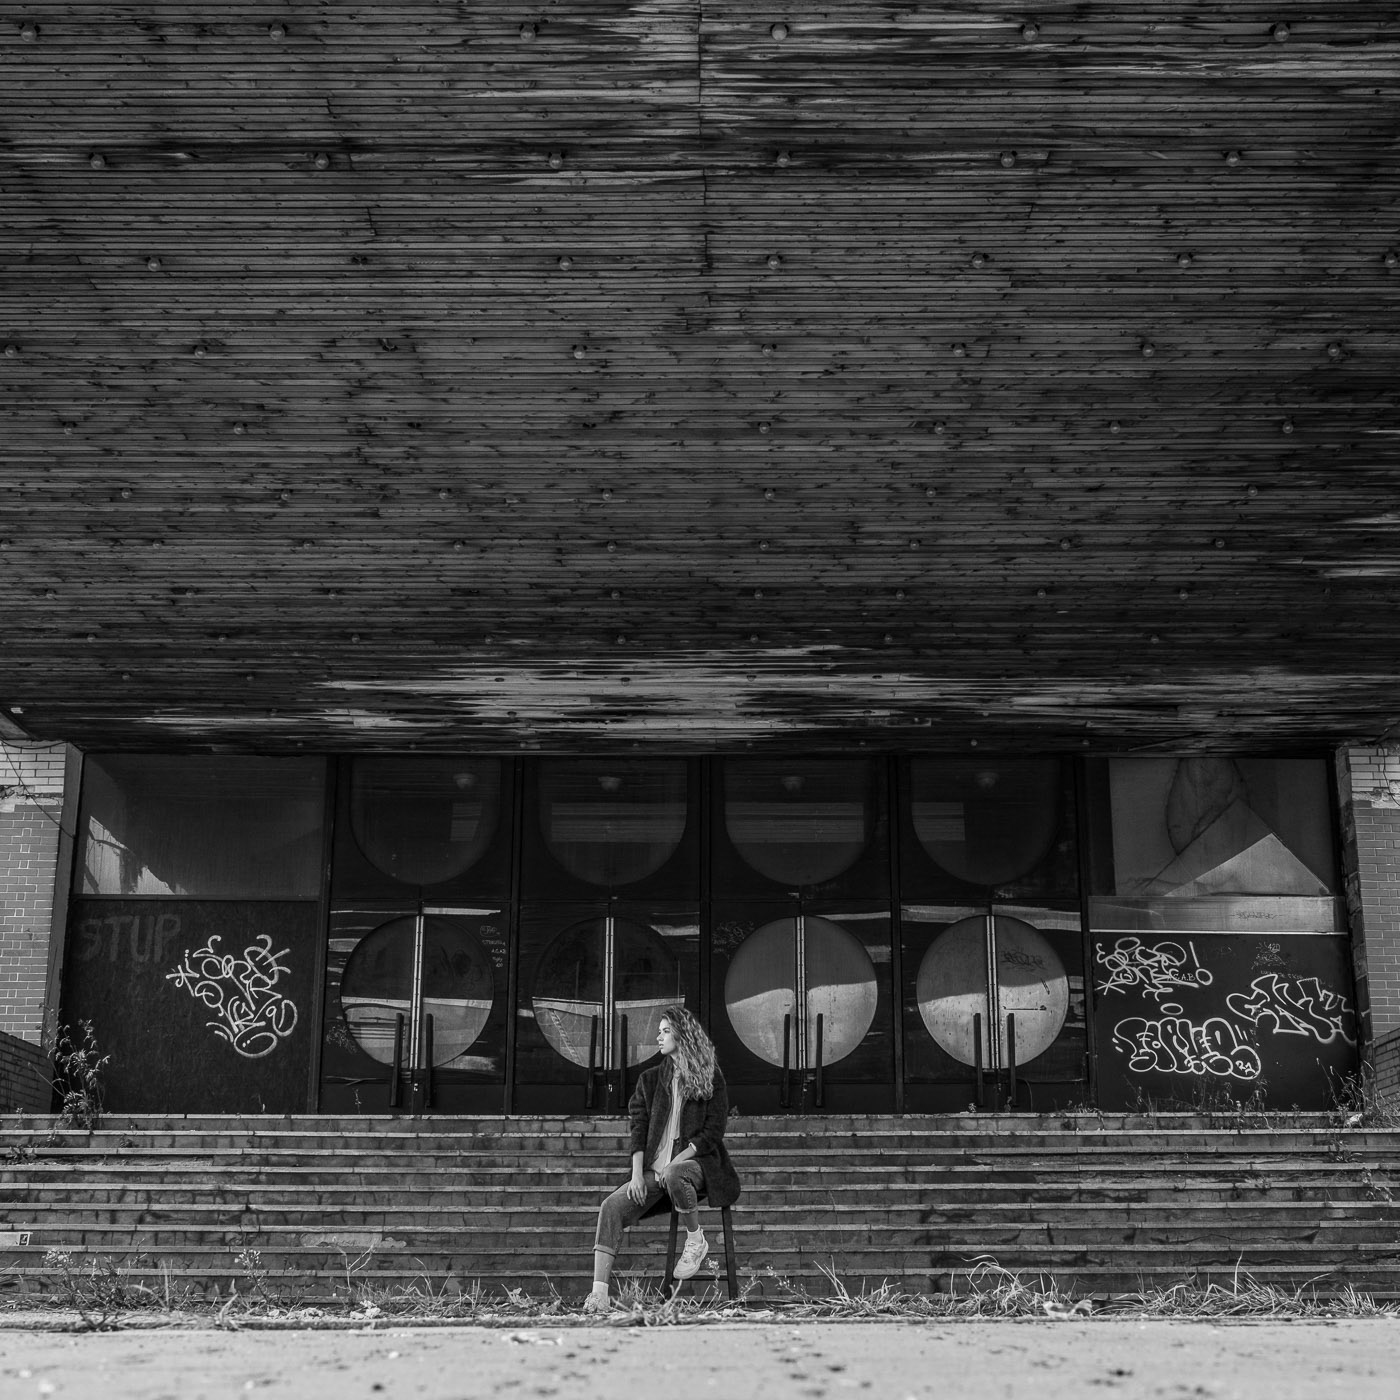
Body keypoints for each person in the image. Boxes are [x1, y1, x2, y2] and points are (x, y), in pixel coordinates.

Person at [583, 1004, 741, 1313]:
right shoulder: (650, 1080)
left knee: (674, 1173)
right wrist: (637, 1174)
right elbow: (639, 1129)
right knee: (611, 1207)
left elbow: (712, 1132)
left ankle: (695, 1239)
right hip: (655, 1172)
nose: (659, 1037)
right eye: (659, 1031)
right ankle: (598, 1295)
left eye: (666, 1031)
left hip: (698, 1166)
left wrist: (676, 1161)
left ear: (683, 1034)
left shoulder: (710, 1077)